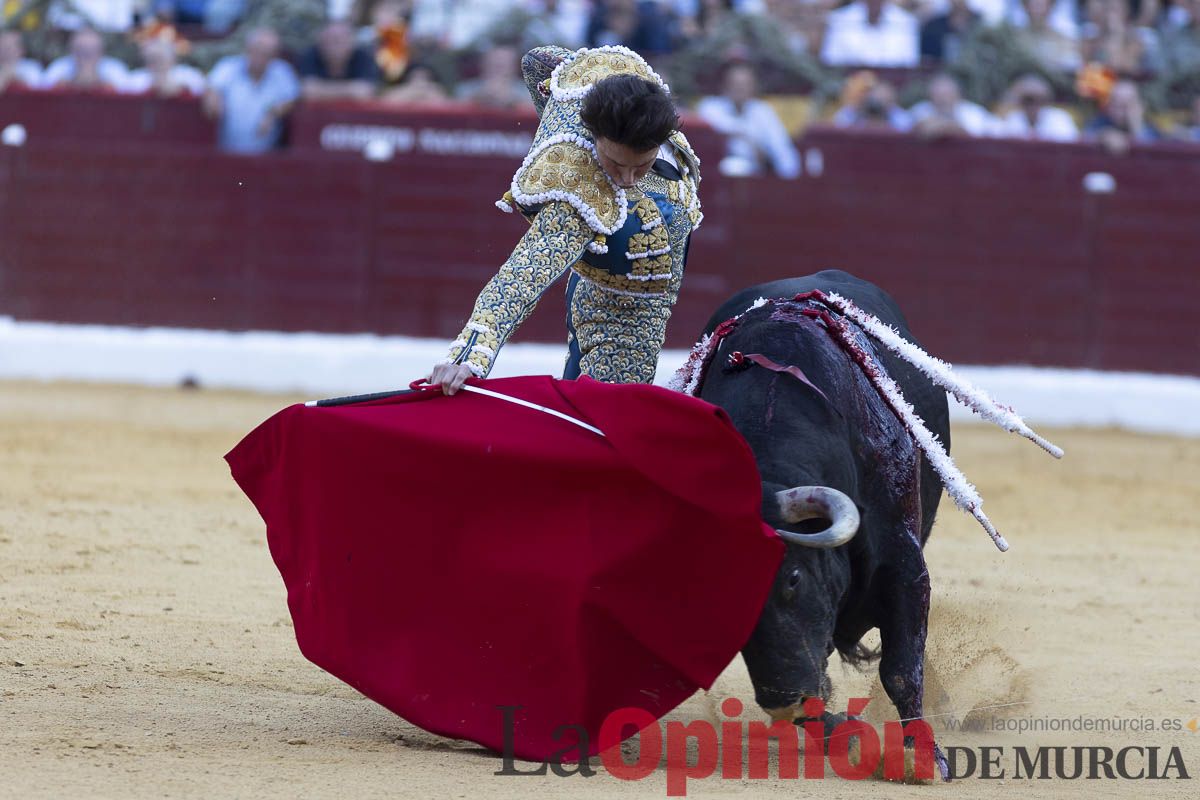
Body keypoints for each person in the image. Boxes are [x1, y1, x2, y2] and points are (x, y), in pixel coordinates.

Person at [428, 46, 703, 393]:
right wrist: (469, 355)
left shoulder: (620, 77)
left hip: (630, 271)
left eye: (641, 165)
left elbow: (537, 61)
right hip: (620, 308)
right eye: (615, 164)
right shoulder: (578, 192)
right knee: (603, 420)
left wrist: (555, 116)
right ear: (594, 134)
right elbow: (523, 274)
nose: (628, 179)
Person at [696, 61, 801, 178]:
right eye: (734, 83)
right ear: (724, 86)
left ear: (754, 87)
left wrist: (787, 180)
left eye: (745, 84)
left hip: (756, 179)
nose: (740, 88)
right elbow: (717, 127)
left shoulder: (763, 111)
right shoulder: (710, 107)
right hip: (715, 178)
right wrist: (746, 137)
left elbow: (784, 153)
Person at [203, 28, 300, 154]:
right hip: (226, 153)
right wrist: (214, 98)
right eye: (257, 50)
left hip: (267, 157)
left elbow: (293, 99)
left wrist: (273, 112)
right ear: (248, 49)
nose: (260, 57)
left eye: (267, 53)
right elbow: (211, 88)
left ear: (274, 56)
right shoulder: (228, 67)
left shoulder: (282, 72)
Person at [821, 0, 920, 67]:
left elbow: (909, 64)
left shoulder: (906, 21)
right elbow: (831, 61)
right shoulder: (839, 19)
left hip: (893, 89)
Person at [299, 19, 380, 101]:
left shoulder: (363, 57)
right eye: (327, 40)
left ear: (351, 43)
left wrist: (322, 89)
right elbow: (308, 90)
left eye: (337, 41)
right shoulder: (310, 54)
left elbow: (365, 91)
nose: (331, 46)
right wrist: (351, 89)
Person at [909, 72, 998, 136]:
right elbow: (906, 129)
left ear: (958, 95)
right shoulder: (920, 110)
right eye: (937, 95)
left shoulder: (974, 112)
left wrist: (947, 127)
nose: (942, 99)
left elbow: (982, 137)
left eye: (946, 94)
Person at [995, 73, 1079, 141]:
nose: (1034, 105)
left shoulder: (1060, 119)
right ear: (1020, 102)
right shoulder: (1012, 120)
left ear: (1047, 101)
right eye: (1028, 100)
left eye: (1041, 100)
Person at [1084, 79, 1162, 153]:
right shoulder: (1100, 123)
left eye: (1129, 104)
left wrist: (1136, 128)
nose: (1124, 110)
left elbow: (1155, 150)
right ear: (1109, 107)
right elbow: (1084, 139)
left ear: (1141, 106)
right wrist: (1103, 136)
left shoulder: (1152, 130)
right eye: (1118, 105)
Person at [41, 28, 130, 90]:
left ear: (101, 52)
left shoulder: (116, 70)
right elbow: (46, 98)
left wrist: (98, 83)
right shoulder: (58, 68)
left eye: (92, 51)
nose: (87, 56)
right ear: (72, 51)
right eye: (81, 50)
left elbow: (126, 100)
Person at [123, 37, 207, 97]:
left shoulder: (188, 74)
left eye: (160, 58)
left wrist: (181, 89)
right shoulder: (136, 78)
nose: (155, 63)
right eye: (151, 59)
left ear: (172, 59)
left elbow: (205, 89)